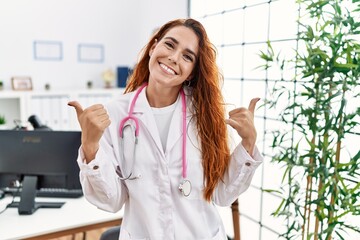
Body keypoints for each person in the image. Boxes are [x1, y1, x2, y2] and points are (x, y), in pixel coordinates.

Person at [68, 18, 263, 240]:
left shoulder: (206, 116)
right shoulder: (115, 114)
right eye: (170, 45)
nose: (173, 57)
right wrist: (90, 146)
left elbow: (222, 194)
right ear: (153, 47)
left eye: (187, 56)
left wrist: (248, 143)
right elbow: (111, 201)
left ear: (191, 72)